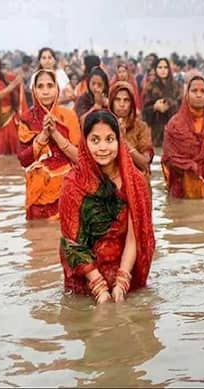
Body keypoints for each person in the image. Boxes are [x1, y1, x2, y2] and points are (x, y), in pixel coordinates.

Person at [59, 110, 155, 304]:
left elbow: (134, 236)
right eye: (95, 140)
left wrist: (122, 280)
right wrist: (99, 286)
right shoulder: (73, 184)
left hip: (126, 275)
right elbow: (72, 242)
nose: (103, 147)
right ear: (85, 143)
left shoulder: (134, 182)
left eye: (109, 139)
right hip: (86, 280)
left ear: (119, 141)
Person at [17, 69, 80, 219]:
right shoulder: (26, 119)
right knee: (38, 236)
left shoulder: (69, 116)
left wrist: (55, 133)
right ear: (34, 90)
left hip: (68, 189)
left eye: (50, 85)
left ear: (57, 88)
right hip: (38, 193)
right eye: (40, 86)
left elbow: (80, 158)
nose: (46, 91)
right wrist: (43, 135)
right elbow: (24, 160)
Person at [161, 76, 204, 198]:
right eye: (194, 91)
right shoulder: (175, 124)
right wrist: (189, 166)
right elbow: (168, 158)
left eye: (203, 91)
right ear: (187, 94)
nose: (199, 95)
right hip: (181, 192)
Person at [108, 82, 153, 177]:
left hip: (136, 178)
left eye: (126, 100)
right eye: (117, 100)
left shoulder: (141, 127)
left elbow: (145, 163)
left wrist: (123, 141)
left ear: (131, 103)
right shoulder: (103, 125)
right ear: (111, 102)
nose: (122, 104)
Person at [0, 50, 24, 155]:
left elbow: (15, 82)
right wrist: (11, 87)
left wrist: (17, 83)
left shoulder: (2, 76)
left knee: (14, 151)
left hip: (10, 119)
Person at [142, 58, 182, 147]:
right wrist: (155, 107)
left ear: (169, 69)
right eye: (160, 67)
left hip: (175, 131)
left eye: (165, 67)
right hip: (156, 132)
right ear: (156, 69)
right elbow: (144, 112)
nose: (163, 70)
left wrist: (169, 104)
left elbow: (182, 107)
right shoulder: (150, 87)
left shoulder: (177, 87)